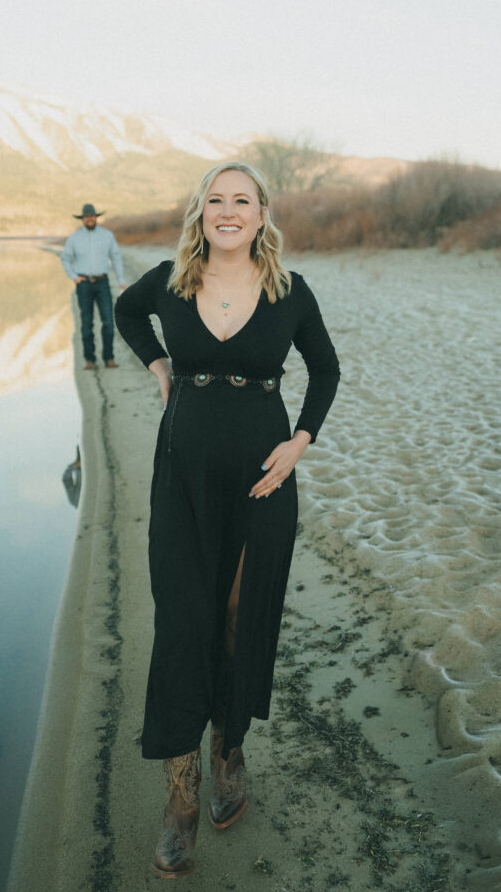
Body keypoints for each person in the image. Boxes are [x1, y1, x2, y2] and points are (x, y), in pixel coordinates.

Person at [114, 161, 340, 878]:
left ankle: (227, 753)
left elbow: (326, 370)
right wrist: (156, 364)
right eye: (215, 200)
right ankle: (180, 793)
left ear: (262, 211)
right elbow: (125, 312)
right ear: (201, 212)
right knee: (184, 620)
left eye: (241, 200)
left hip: (261, 483)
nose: (227, 211)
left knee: (240, 617)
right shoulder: (171, 279)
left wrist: (298, 443)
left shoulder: (288, 290)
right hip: (181, 474)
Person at [61, 204, 127, 369]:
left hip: (102, 283)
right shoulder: (74, 238)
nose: (90, 218)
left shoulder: (107, 235)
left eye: (92, 216)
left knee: (108, 321)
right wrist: (74, 277)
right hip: (83, 284)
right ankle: (89, 360)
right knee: (86, 322)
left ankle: (109, 358)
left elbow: (116, 257)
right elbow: (66, 259)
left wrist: (121, 280)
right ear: (82, 218)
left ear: (96, 217)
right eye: (86, 216)